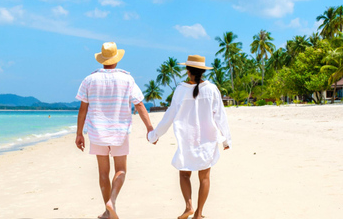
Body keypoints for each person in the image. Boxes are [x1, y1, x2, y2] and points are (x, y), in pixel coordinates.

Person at [75, 42, 154, 219]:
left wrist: (79, 133)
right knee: (121, 170)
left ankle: (107, 210)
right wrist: (149, 127)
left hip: (97, 132)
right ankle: (112, 202)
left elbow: (83, 109)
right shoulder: (127, 79)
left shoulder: (89, 79)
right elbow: (139, 104)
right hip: (119, 132)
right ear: (117, 59)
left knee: (103, 172)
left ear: (102, 59)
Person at [148, 55, 231, 219]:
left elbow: (170, 115)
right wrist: (226, 139)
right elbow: (220, 116)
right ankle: (199, 214)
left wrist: (155, 135)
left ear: (188, 71)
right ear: (203, 71)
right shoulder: (212, 89)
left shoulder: (180, 90)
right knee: (204, 177)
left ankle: (189, 206)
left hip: (187, 139)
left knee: (184, 174)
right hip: (208, 140)